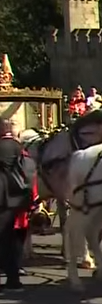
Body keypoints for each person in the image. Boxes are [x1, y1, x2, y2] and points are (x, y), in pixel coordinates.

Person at [0, 119, 36, 290]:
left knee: (4, 240)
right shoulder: (21, 148)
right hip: (20, 197)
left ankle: (12, 278)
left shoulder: (3, 147)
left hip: (4, 198)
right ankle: (14, 276)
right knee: (15, 239)